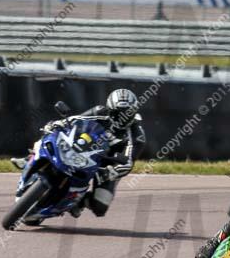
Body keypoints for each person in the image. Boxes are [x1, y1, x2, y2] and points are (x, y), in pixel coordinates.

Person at [11, 89, 145, 218]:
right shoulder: (100, 111)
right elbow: (76, 119)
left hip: (107, 165)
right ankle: (30, 158)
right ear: (110, 109)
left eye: (127, 114)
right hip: (84, 145)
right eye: (117, 113)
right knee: (51, 134)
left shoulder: (137, 136)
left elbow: (128, 163)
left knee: (100, 206)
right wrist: (58, 124)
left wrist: (111, 172)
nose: (122, 118)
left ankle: (79, 203)